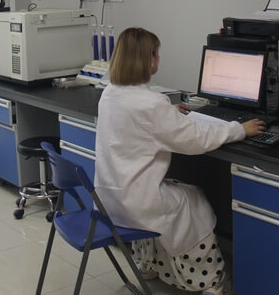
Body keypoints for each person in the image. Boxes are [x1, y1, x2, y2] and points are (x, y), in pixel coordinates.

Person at [94, 27, 266, 295]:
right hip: (138, 203)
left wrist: (167, 113)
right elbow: (195, 139)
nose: (158, 58)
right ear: (147, 60)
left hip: (109, 199)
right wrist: (239, 129)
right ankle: (210, 282)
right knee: (194, 199)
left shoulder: (111, 93)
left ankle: (147, 264)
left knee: (174, 196)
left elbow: (140, 121)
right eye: (156, 53)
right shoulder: (152, 104)